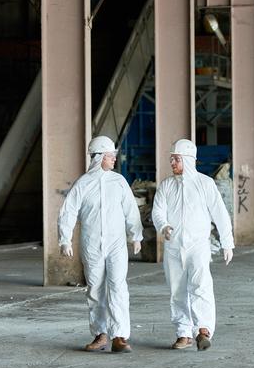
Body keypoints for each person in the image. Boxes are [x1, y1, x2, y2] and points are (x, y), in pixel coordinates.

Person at [58, 135, 143, 353]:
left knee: (118, 286)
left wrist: (136, 235)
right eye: (109, 155)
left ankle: (120, 336)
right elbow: (68, 212)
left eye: (113, 155)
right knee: (95, 288)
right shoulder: (83, 184)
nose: (114, 159)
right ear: (98, 158)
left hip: (116, 244)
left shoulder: (119, 182)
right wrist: (64, 239)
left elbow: (130, 211)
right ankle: (101, 334)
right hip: (92, 244)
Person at [151, 138, 234, 351]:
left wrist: (227, 242)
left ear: (188, 160)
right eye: (171, 159)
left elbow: (220, 213)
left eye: (176, 159)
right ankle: (183, 333)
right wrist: (163, 225)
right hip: (173, 247)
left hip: (198, 245)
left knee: (201, 286)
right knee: (177, 290)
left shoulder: (205, 184)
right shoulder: (167, 185)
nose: (172, 163)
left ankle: (203, 330)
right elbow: (158, 210)